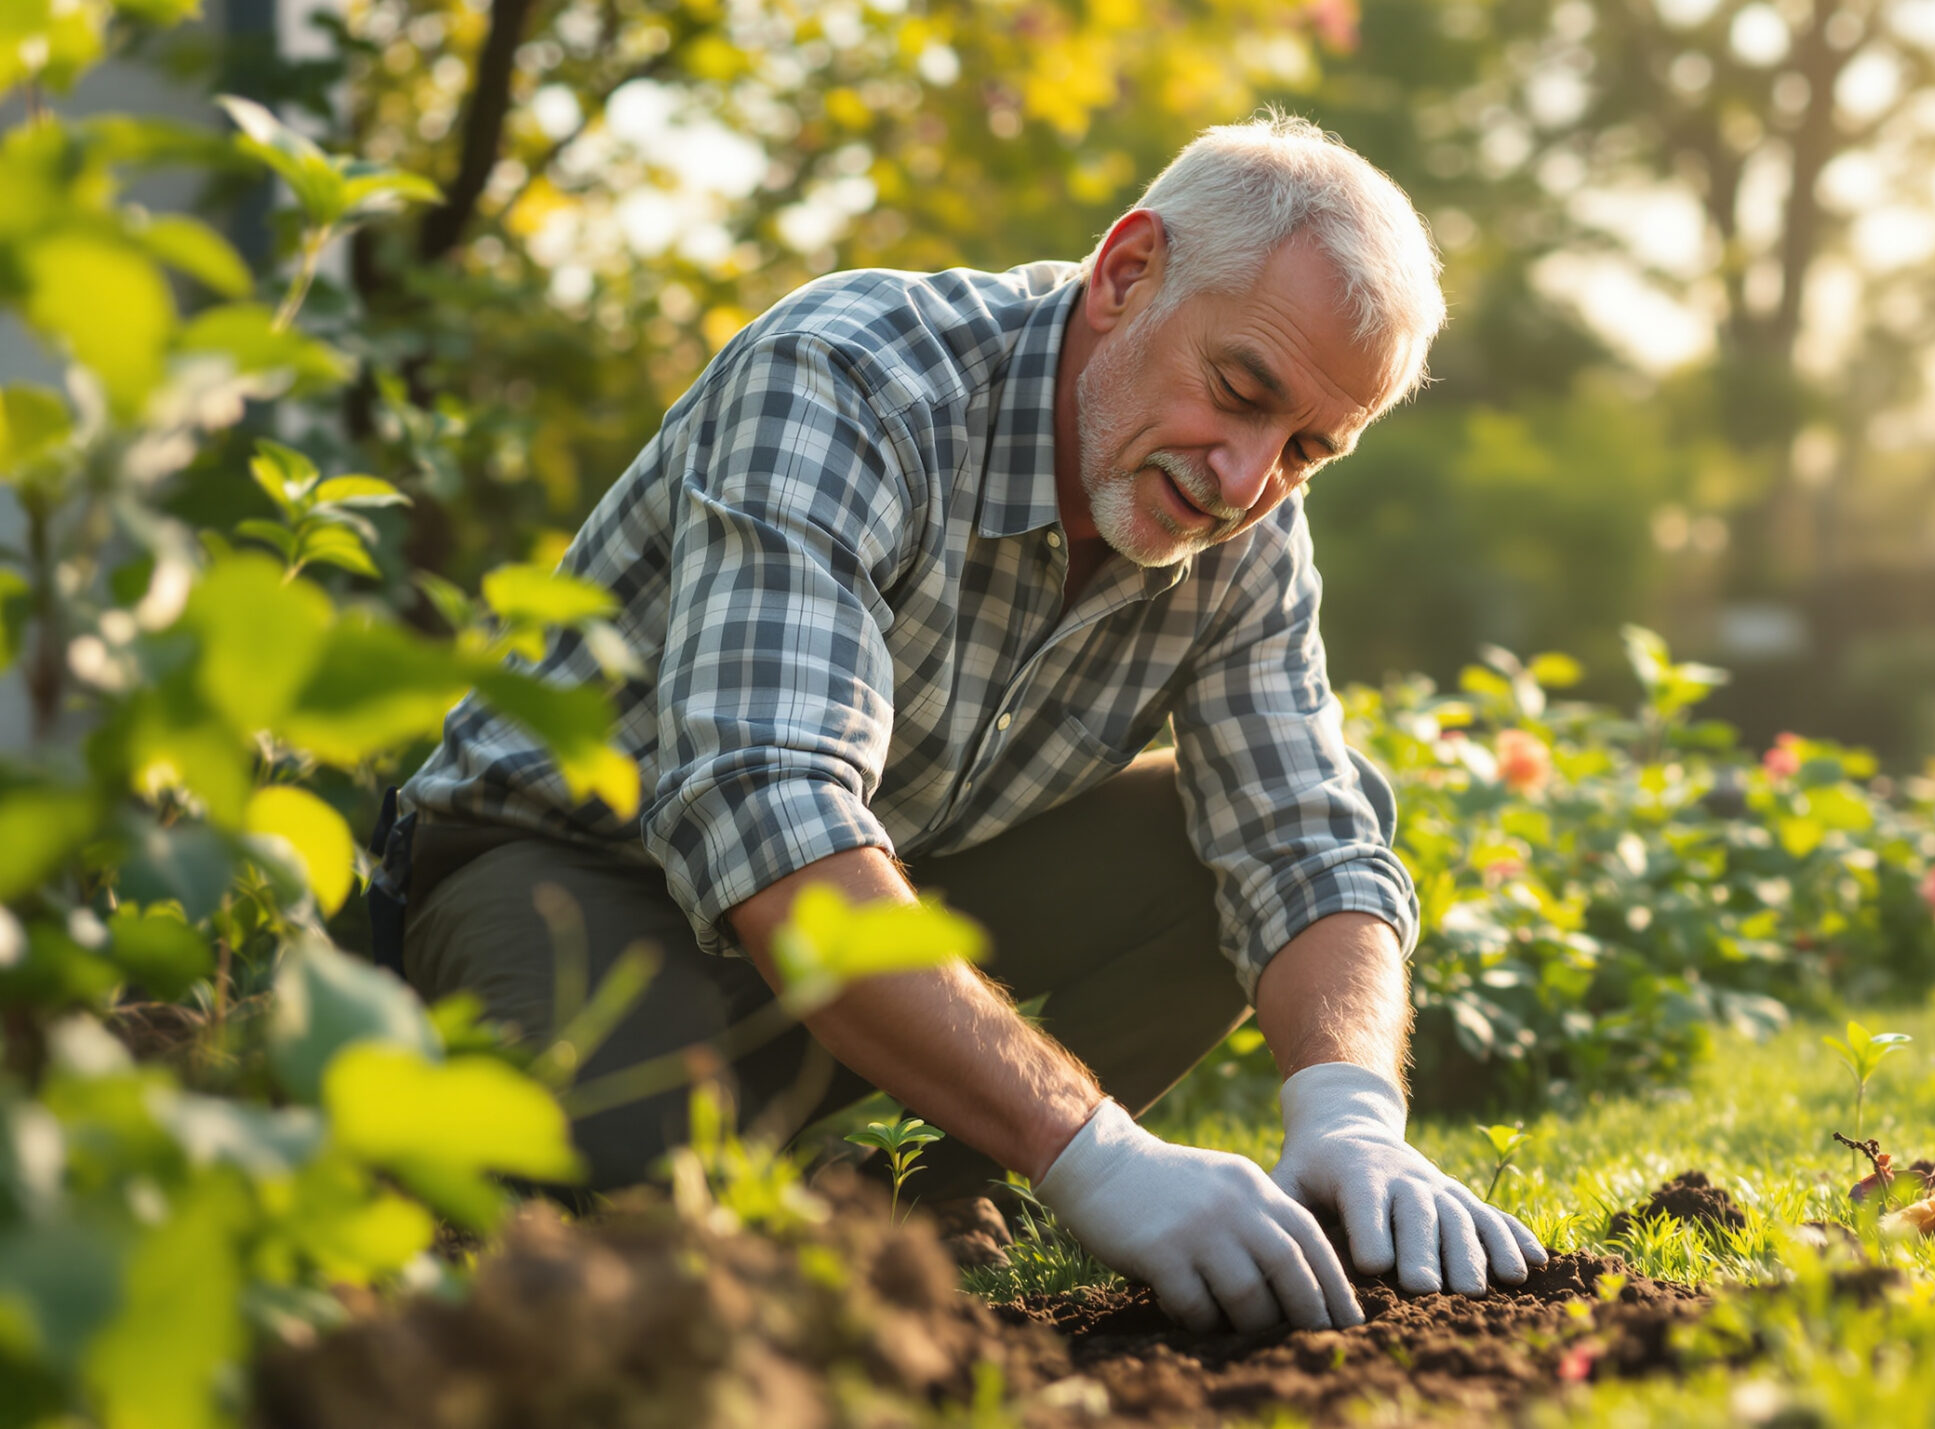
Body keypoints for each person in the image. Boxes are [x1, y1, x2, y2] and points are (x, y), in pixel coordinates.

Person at [368, 114, 1544, 1336]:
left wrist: (1350, 1109)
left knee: (1249, 834)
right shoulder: (848, 379)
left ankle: (931, 1211)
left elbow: (1304, 836)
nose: (1245, 479)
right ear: (1128, 271)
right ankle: (851, 1150)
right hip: (567, 867)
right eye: (1239, 390)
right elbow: (770, 815)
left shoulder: (1240, 521)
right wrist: (1097, 1147)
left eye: (1306, 448)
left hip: (879, 889)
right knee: (634, 1178)